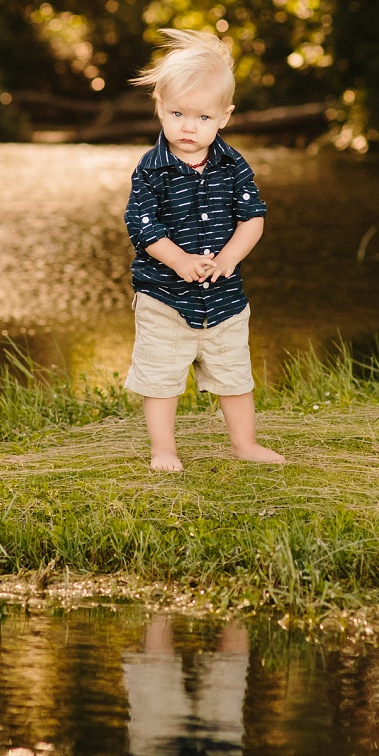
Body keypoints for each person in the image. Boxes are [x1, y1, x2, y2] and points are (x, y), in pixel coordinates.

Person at [124, 28, 285, 473]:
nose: (189, 127)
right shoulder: (151, 168)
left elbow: (253, 217)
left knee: (234, 375)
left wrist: (230, 257)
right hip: (164, 297)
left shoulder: (233, 165)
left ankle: (245, 443)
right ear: (159, 107)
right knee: (161, 379)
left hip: (224, 297)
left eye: (203, 118)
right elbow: (140, 223)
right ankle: (164, 448)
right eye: (177, 113)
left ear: (225, 117)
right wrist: (177, 259)